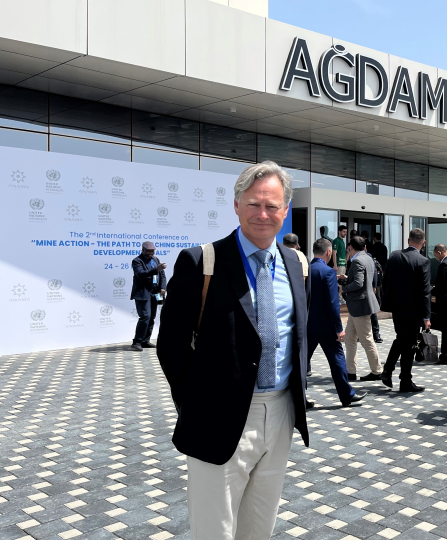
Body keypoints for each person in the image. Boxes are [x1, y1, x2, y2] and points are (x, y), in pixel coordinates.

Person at [156, 161, 310, 540]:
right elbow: (171, 346)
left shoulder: (294, 263)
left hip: (280, 414)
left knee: (260, 527)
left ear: (285, 211)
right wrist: (196, 403)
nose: (263, 214)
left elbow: (299, 337)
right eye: (255, 204)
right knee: (215, 530)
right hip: (218, 417)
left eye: (272, 206)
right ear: (237, 205)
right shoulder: (200, 262)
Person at [307, 238, 366, 407]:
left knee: (302, 362)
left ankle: (298, 398)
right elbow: (333, 303)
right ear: (328, 252)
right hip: (326, 326)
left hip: (308, 324)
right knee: (337, 359)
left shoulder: (306, 270)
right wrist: (339, 328)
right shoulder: (328, 272)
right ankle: (346, 395)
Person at [380, 228, 431, 393]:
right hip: (413, 311)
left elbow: (385, 281)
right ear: (423, 243)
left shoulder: (394, 256)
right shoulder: (422, 261)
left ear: (409, 241)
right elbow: (425, 292)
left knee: (401, 339)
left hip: (396, 308)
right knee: (408, 344)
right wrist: (426, 316)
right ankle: (405, 381)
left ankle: (388, 371)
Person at [338, 236, 383, 382]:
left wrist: (343, 287)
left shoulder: (357, 261)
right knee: (350, 337)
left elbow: (358, 283)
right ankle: (350, 371)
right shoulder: (368, 257)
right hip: (360, 305)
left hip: (360, 305)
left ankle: (377, 371)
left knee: (367, 339)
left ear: (350, 247)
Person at [130, 241, 167, 351]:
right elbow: (140, 274)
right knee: (145, 316)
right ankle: (137, 342)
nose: (151, 253)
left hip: (156, 293)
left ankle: (145, 340)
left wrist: (163, 288)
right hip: (143, 293)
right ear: (143, 249)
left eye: (152, 251)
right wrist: (156, 269)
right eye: (149, 251)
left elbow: (162, 275)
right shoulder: (137, 261)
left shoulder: (156, 259)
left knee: (152, 317)